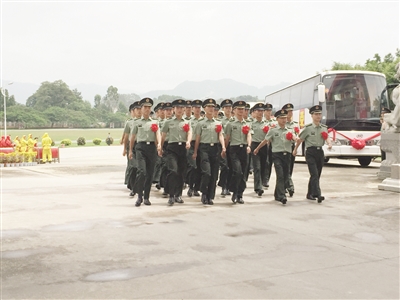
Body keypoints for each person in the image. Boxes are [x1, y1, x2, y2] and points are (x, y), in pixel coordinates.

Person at [254, 109, 295, 205]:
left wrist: (296, 141)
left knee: (285, 176)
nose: (284, 120)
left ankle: (277, 194)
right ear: (277, 119)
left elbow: (294, 137)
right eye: (282, 118)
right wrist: (257, 148)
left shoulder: (289, 130)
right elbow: (265, 140)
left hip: (287, 155)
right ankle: (281, 196)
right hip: (277, 155)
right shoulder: (273, 130)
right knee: (280, 175)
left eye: (285, 118)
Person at [293, 105, 332, 203]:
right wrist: (295, 150)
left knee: (317, 174)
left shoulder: (324, 128)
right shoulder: (308, 128)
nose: (318, 116)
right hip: (310, 152)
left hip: (320, 152)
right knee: (314, 173)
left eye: (319, 114)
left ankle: (310, 193)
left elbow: (326, 137)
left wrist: (329, 143)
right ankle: (318, 194)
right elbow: (300, 140)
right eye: (316, 114)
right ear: (312, 115)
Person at [193, 98, 226, 205]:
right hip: (204, 149)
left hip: (215, 149)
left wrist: (223, 147)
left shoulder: (218, 123)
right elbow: (197, 138)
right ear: (205, 108)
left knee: (214, 174)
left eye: (213, 107)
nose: (211, 109)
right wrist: (195, 151)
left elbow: (220, 135)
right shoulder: (200, 123)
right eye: (209, 107)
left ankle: (210, 196)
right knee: (206, 172)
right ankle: (203, 191)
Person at [129, 98, 161, 207]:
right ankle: (139, 196)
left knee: (150, 174)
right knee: (141, 171)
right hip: (140, 148)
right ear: (141, 109)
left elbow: (158, 134)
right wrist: (130, 151)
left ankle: (146, 197)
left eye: (149, 107)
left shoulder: (155, 122)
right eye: (145, 107)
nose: (147, 109)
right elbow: (132, 137)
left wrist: (159, 145)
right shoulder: (137, 122)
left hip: (151, 148)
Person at [160, 99, 192, 205]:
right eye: (177, 108)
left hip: (183, 149)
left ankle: (178, 195)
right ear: (174, 109)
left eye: (181, 108)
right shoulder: (168, 122)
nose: (179, 110)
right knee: (173, 171)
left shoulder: (187, 122)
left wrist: (188, 141)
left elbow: (190, 133)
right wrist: (159, 147)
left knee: (181, 173)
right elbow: (163, 135)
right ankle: (171, 194)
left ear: (184, 110)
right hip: (172, 149)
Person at [224, 100, 252, 204]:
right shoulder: (230, 124)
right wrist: (224, 149)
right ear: (234, 110)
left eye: (243, 109)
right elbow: (227, 138)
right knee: (237, 171)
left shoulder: (247, 123)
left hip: (244, 149)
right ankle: (234, 191)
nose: (241, 111)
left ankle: (240, 194)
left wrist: (249, 146)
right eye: (239, 109)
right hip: (233, 149)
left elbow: (249, 135)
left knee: (243, 173)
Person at [250, 103, 268, 196]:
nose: (260, 113)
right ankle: (258, 187)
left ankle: (260, 183)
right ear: (254, 112)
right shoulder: (251, 123)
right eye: (258, 111)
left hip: (264, 146)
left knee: (263, 166)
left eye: (262, 111)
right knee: (257, 167)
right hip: (254, 145)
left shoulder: (267, 124)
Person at [281, 103, 299, 197]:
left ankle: (286, 184)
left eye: (291, 111)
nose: (290, 113)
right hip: (282, 147)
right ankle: (288, 187)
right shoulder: (281, 124)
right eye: (288, 111)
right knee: (285, 168)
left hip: (291, 147)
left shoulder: (295, 124)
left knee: (290, 168)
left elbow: (296, 136)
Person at [186, 100, 203, 198]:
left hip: (201, 145)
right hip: (191, 145)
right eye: (195, 107)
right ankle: (190, 186)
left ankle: (196, 188)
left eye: (199, 107)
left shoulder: (203, 120)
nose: (197, 109)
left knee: (200, 168)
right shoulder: (188, 121)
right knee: (193, 166)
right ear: (192, 109)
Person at [125, 101, 142, 196]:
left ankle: (138, 188)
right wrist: (125, 149)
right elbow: (126, 137)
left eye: (140, 109)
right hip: (132, 146)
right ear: (133, 111)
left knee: (141, 169)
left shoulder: (147, 121)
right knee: (133, 167)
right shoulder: (130, 123)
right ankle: (132, 186)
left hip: (142, 145)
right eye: (137, 109)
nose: (139, 111)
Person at [218, 99, 233, 196]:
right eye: (226, 107)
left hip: (233, 145)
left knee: (231, 167)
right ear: (223, 109)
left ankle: (228, 186)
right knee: (225, 166)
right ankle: (223, 186)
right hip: (223, 145)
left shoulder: (235, 120)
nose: (228, 109)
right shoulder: (220, 122)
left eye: (229, 107)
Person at [263, 103, 276, 187]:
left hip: (271, 144)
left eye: (270, 110)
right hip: (263, 144)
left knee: (269, 162)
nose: (268, 112)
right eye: (267, 110)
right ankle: (263, 178)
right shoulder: (261, 121)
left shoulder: (274, 122)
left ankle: (266, 179)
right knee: (264, 162)